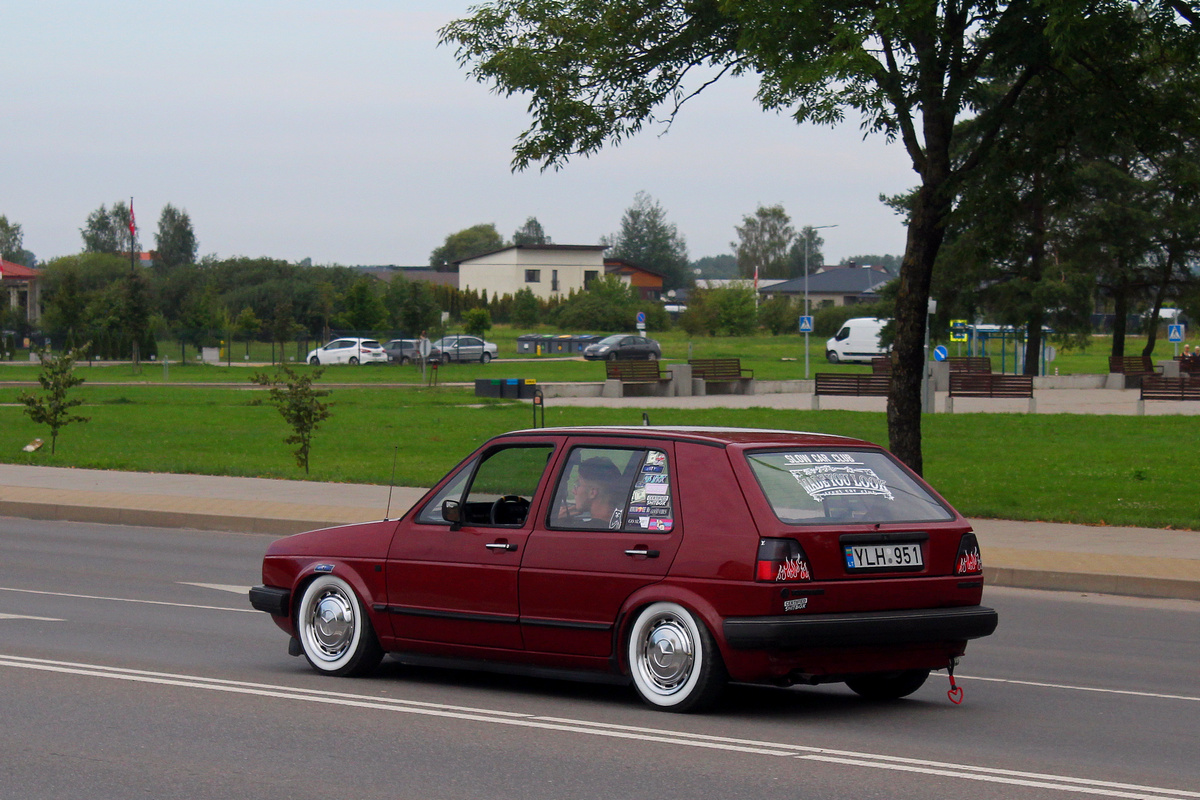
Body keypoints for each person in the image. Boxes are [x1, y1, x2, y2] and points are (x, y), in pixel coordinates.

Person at [557, 457, 625, 528]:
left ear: (592, 492)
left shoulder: (581, 531)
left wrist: (558, 523)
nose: (573, 491)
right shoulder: (623, 523)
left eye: (578, 485)